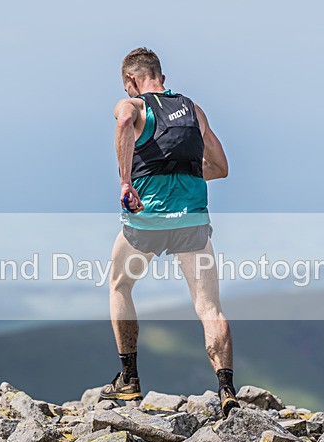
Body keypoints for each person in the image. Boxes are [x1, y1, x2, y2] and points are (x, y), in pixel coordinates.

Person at [99, 47, 239, 417]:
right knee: (209, 305)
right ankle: (226, 390)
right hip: (191, 221)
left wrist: (127, 182)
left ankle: (129, 378)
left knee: (119, 286)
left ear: (131, 79)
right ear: (162, 76)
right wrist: (182, 174)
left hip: (146, 222)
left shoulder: (132, 104)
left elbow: (123, 120)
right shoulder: (193, 110)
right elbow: (221, 167)